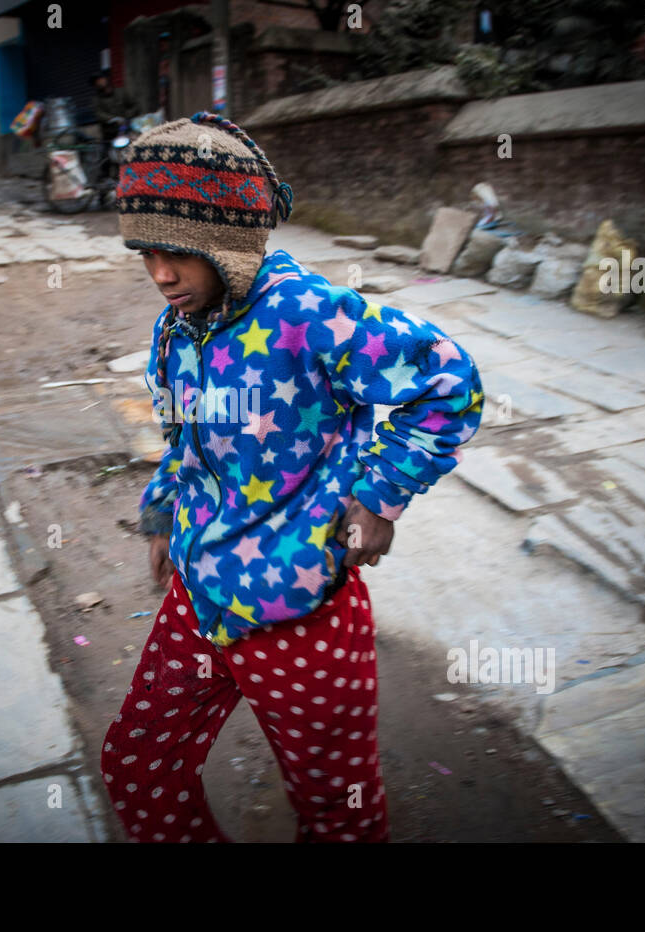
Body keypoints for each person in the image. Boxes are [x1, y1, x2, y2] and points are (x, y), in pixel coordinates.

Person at [100, 112, 484, 842]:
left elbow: (449, 382)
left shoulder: (310, 316)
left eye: (177, 252)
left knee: (339, 819)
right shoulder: (175, 327)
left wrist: (381, 497)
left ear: (228, 241)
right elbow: (184, 437)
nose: (158, 273)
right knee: (136, 768)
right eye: (145, 251)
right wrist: (164, 512)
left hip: (302, 624)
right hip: (197, 598)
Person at [90, 70, 139, 142]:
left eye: (101, 79)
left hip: (128, 128)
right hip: (109, 133)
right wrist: (115, 119)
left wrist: (127, 116)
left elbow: (134, 105)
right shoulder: (96, 100)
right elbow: (99, 114)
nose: (100, 82)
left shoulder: (121, 92)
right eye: (97, 81)